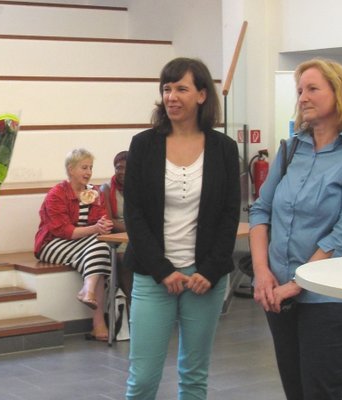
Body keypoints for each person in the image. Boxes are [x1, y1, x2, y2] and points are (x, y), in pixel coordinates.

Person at [249, 58, 342, 400]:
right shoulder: (291, 148)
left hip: (329, 298)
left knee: (321, 392)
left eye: (312, 89)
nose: (303, 97)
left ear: (339, 94)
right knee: (295, 391)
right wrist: (262, 273)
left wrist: (297, 283)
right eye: (299, 91)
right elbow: (261, 211)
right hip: (277, 294)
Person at [124, 57, 240, 399]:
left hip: (205, 279)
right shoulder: (143, 145)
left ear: (202, 95)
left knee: (193, 377)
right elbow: (134, 214)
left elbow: (229, 216)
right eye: (166, 89)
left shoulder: (223, 149)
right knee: (142, 378)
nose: (171, 96)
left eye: (181, 89)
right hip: (153, 276)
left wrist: (210, 269)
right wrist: (163, 271)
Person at [34, 148, 114, 341]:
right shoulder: (57, 194)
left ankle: (88, 291)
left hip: (85, 244)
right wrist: (96, 229)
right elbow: (64, 231)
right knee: (100, 247)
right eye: (84, 167)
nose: (88, 172)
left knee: (100, 249)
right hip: (52, 244)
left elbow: (99, 220)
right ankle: (98, 321)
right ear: (71, 169)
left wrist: (103, 225)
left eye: (91, 168)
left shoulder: (94, 193)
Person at [100, 150, 133, 301]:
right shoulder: (106, 189)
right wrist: (133, 231)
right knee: (125, 259)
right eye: (118, 167)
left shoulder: (141, 186)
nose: (122, 172)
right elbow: (109, 219)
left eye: (126, 167)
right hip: (119, 235)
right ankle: (130, 302)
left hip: (140, 232)